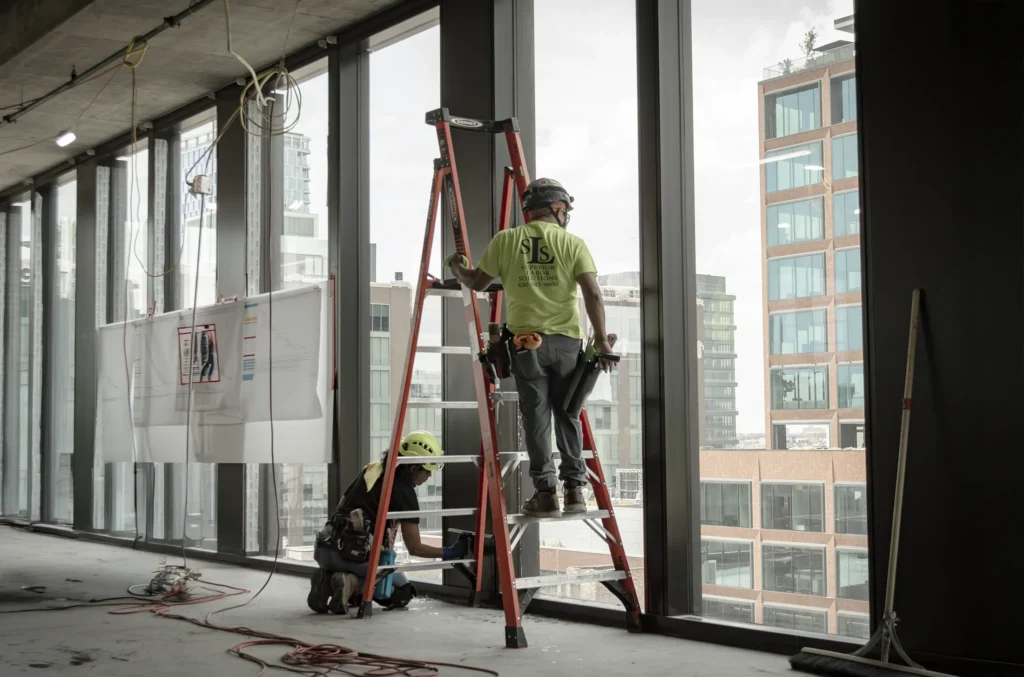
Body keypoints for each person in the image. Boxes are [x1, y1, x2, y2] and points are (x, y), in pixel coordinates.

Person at [447, 178, 614, 518]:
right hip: (567, 344)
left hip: (526, 346)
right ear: (557, 209)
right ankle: (575, 492)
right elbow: (593, 294)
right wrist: (600, 337)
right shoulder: (573, 244)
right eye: (564, 210)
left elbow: (478, 283)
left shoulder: (506, 240)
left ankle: (546, 494)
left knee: (536, 420)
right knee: (567, 413)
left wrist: (456, 266)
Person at [308, 431, 472, 615]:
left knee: (365, 570)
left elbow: (341, 505)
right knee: (401, 593)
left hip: (325, 547)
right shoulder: (404, 492)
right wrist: (451, 552)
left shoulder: (372, 469)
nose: (428, 476)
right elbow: (415, 548)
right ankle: (350, 583)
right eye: (426, 470)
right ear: (413, 467)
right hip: (355, 554)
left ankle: (326, 580)